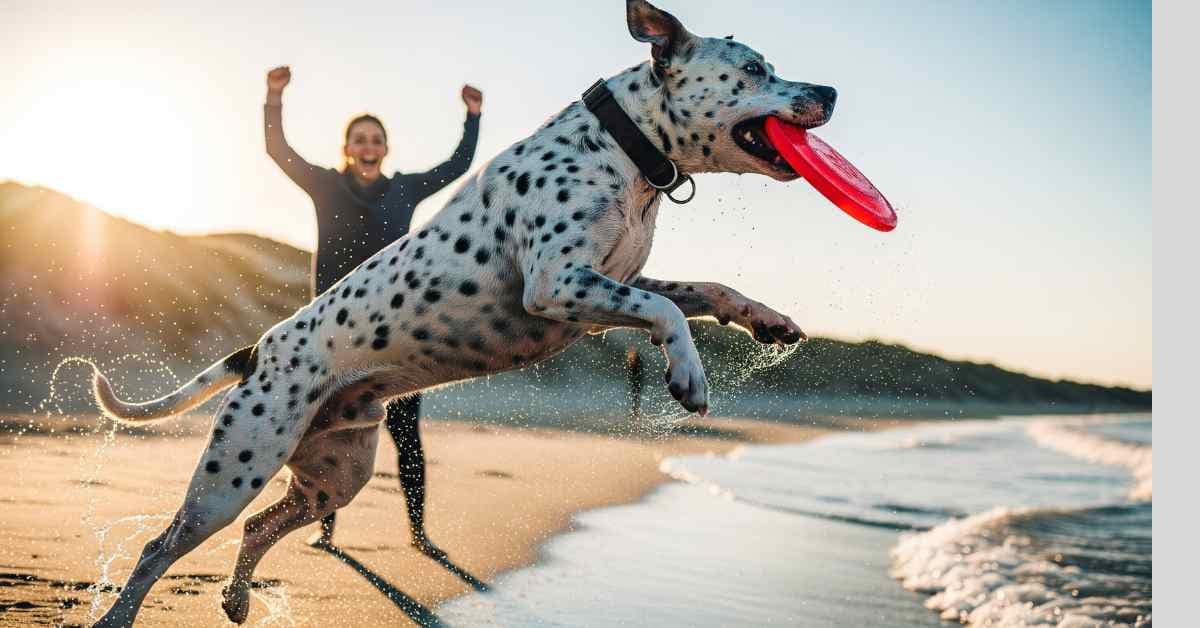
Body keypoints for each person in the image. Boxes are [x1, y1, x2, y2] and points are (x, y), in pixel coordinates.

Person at [263, 65, 482, 557]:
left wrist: (472, 116)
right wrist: (274, 97)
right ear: (348, 147)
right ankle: (325, 529)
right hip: (336, 337)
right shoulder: (325, 185)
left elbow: (455, 166)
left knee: (407, 434)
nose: (368, 146)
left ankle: (418, 533)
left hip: (396, 335)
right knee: (331, 434)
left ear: (385, 149)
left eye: (376, 140)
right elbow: (279, 152)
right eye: (359, 139)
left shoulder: (404, 189)